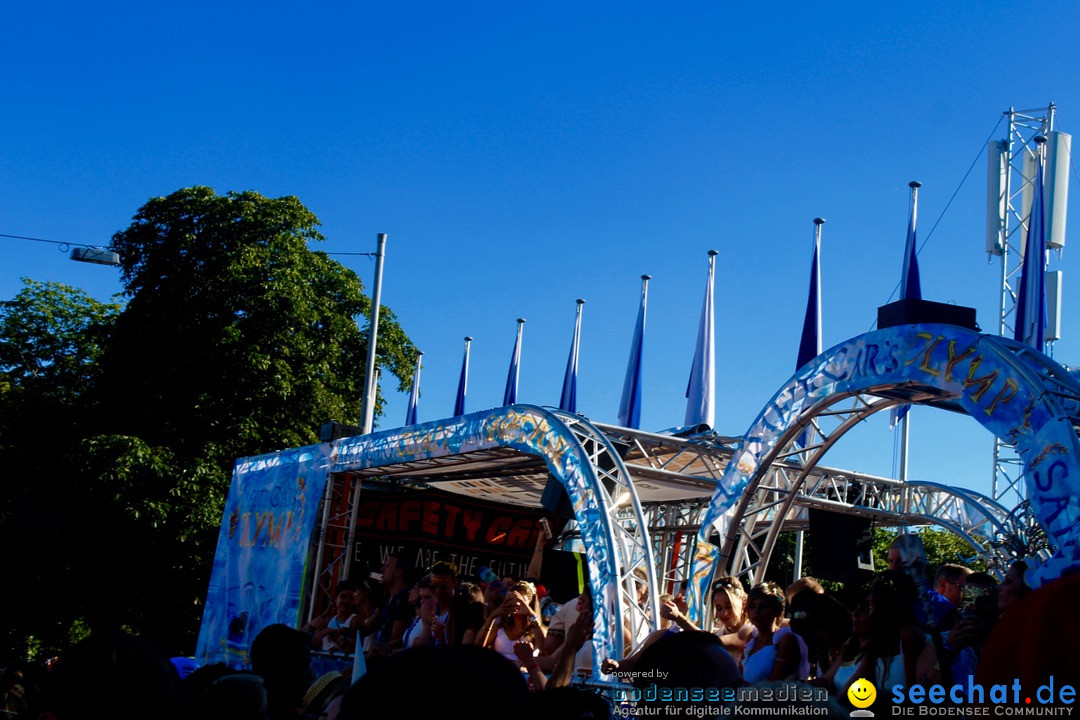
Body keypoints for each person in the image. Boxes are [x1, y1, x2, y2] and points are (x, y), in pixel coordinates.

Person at [740, 582, 809, 683]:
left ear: (778, 610)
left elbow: (773, 685)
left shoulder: (785, 639)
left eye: (763, 606)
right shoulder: (752, 638)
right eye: (752, 606)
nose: (756, 611)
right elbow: (739, 677)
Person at [475, 581, 546, 663]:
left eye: (522, 600)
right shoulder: (500, 624)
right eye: (513, 599)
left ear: (530, 604)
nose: (517, 603)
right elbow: (478, 647)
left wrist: (532, 615)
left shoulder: (536, 628)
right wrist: (492, 617)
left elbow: (543, 649)